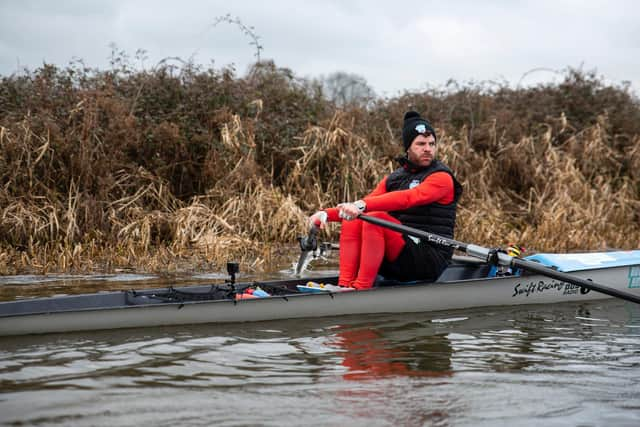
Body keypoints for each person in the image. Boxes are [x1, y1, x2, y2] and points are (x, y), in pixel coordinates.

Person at [308, 111, 463, 290]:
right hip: (400, 255)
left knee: (375, 218)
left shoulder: (442, 177)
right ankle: (344, 286)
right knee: (354, 219)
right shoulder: (395, 179)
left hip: (428, 259)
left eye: (431, 144)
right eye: (420, 144)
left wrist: (360, 206)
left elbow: (409, 198)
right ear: (408, 148)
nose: (428, 149)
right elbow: (366, 203)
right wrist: (324, 214)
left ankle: (361, 288)